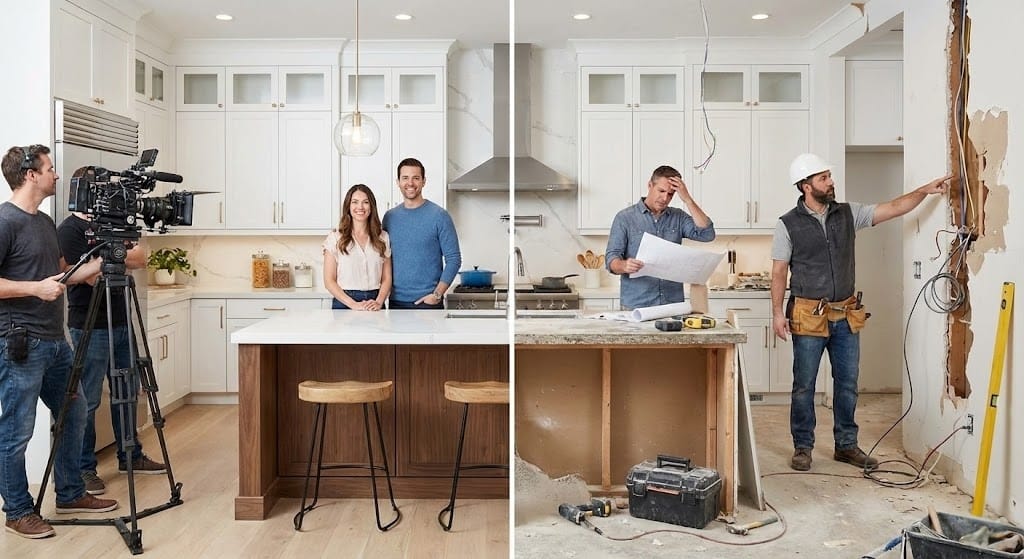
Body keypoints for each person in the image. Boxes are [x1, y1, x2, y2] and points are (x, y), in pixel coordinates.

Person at [771, 153, 951, 472]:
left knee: (848, 382)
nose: (831, 181)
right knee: (804, 385)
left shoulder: (848, 214)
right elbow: (779, 271)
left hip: (845, 314)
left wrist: (924, 190)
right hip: (807, 314)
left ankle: (846, 445)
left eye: (829, 176)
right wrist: (776, 313)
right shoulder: (787, 224)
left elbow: (893, 208)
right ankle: (803, 447)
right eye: (824, 178)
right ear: (805, 185)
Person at [0, 145, 118, 540]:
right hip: (20, 343)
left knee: (75, 413)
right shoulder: (5, 221)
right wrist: (34, 288)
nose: (55, 174)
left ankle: (69, 492)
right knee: (17, 430)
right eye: (49, 168)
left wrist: (100, 263)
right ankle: (17, 511)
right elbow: (31, 283)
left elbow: (61, 273)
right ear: (30, 174)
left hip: (56, 340)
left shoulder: (45, 223)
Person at [57, 204, 168, 498]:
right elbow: (91, 277)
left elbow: (141, 257)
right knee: (88, 399)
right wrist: (114, 258)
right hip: (89, 324)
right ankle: (84, 468)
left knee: (128, 391)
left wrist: (106, 257)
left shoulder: (112, 226)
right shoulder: (69, 230)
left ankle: (130, 455)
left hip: (120, 320)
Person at [605, 165, 716, 310]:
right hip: (637, 305)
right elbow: (611, 260)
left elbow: (707, 234)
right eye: (661, 191)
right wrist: (624, 265)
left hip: (673, 305)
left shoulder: (679, 217)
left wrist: (687, 200)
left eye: (671, 194)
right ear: (650, 185)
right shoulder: (625, 218)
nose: (665, 198)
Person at [382, 158, 461, 310]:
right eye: (405, 178)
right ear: (397, 182)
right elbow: (380, 254)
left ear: (424, 181)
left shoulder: (440, 216)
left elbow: (454, 259)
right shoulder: (389, 217)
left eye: (416, 178)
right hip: (395, 304)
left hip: (429, 303)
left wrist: (437, 294)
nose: (410, 183)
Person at [322, 184, 392, 310]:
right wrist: (353, 304)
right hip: (344, 302)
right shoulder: (335, 238)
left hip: (374, 302)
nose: (360, 207)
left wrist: (379, 301)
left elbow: (387, 278)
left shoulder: (383, 237)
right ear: (348, 206)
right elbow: (329, 281)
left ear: (371, 207)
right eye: (355, 202)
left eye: (365, 202)